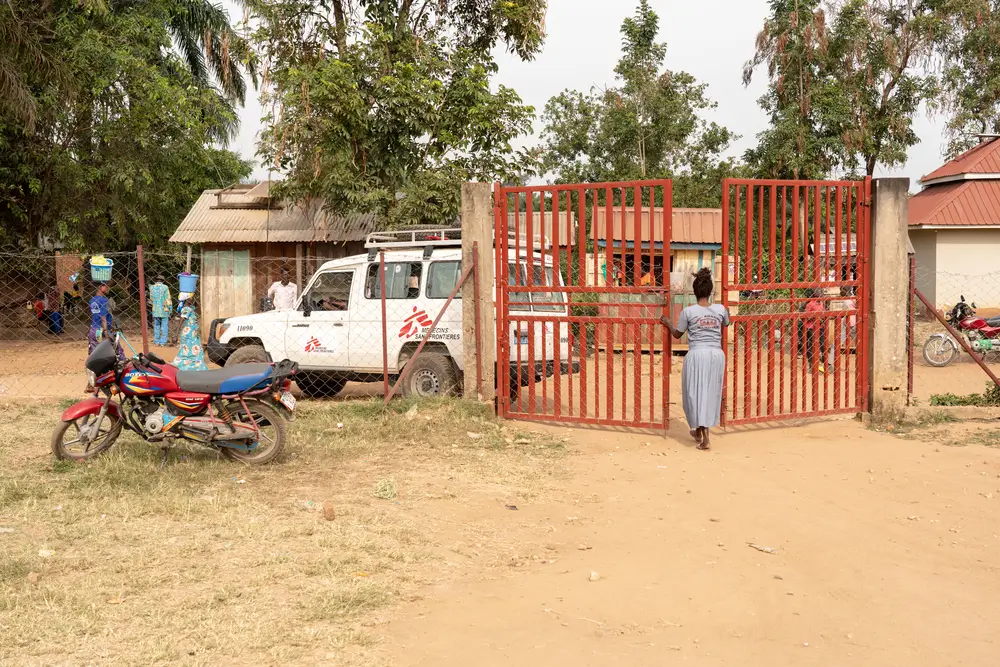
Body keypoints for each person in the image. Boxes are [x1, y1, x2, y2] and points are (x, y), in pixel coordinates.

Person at [660, 268, 729, 450]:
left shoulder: (688, 312)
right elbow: (726, 324)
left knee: (695, 393)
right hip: (716, 354)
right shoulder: (721, 309)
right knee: (710, 392)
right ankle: (699, 432)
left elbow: (677, 334)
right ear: (710, 290)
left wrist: (668, 323)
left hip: (697, 355)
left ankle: (704, 437)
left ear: (695, 291)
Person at [172, 293, 208, 371]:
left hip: (193, 334)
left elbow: (199, 312)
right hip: (189, 334)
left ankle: (188, 367)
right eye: (191, 298)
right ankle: (193, 367)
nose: (193, 299)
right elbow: (181, 321)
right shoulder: (186, 309)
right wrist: (176, 334)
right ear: (187, 299)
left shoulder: (191, 308)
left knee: (190, 351)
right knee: (192, 351)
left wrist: (196, 303)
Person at [802, 289, 827, 374]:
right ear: (815, 294)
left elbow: (823, 313)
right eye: (819, 292)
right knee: (812, 346)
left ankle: (825, 363)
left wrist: (822, 318)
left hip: (820, 326)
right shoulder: (810, 304)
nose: (821, 294)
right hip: (811, 327)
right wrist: (814, 316)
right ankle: (811, 365)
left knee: (823, 344)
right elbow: (805, 316)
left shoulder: (821, 303)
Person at [88, 284, 114, 354]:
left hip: (93, 329)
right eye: (105, 285)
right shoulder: (104, 300)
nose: (107, 287)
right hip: (101, 330)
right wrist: (106, 332)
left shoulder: (92, 300)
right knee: (113, 350)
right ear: (100, 287)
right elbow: (103, 318)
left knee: (95, 352)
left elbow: (94, 314)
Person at [149, 275, 172, 347]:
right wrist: (170, 309)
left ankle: (156, 341)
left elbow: (151, 298)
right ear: (163, 281)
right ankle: (163, 342)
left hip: (155, 309)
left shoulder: (152, 288)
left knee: (156, 325)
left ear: (156, 280)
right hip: (164, 309)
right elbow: (168, 299)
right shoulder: (165, 287)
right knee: (164, 325)